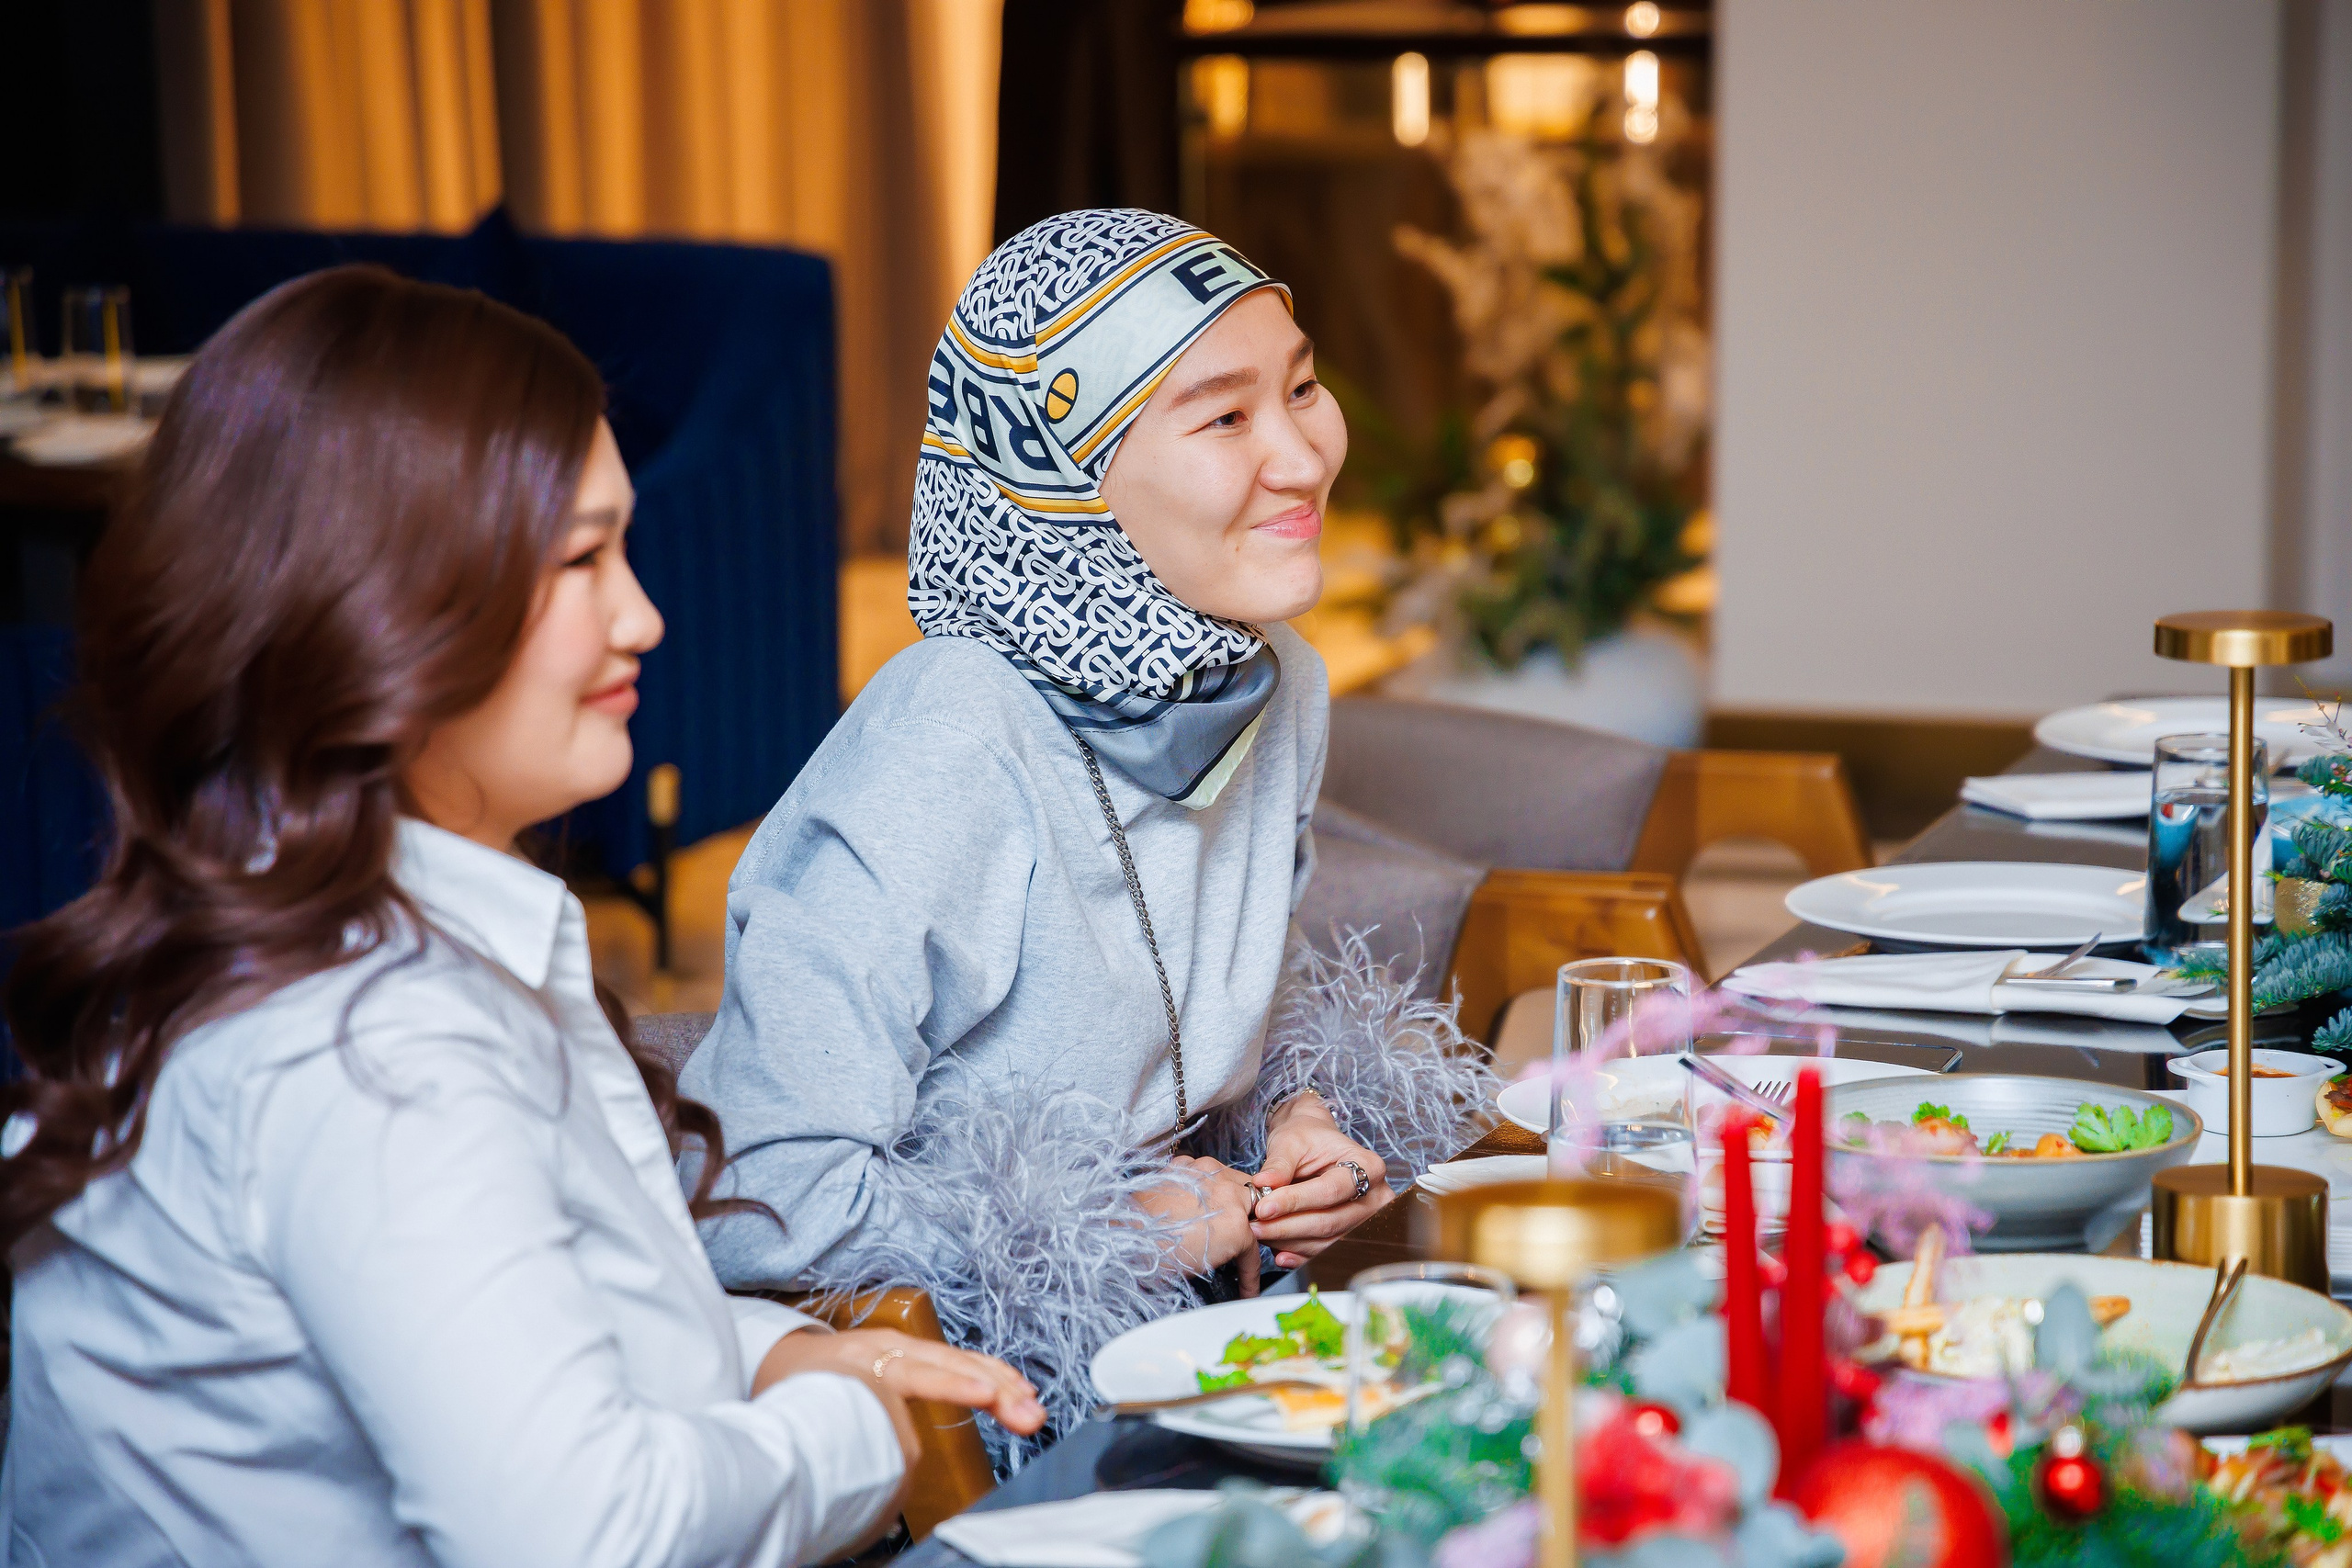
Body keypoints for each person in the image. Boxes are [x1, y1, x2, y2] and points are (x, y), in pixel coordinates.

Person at [0, 265, 1041, 1568]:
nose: (644, 616)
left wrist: (778, 1347)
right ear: (378, 603)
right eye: (579, 561)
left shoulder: (354, 928)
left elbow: (506, 1318)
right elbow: (583, 1537)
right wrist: (850, 1423)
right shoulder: (361, 1045)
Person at [682, 210, 1495, 1457]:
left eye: (1304, 387)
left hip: (1211, 1339)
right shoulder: (952, 733)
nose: (1303, 455)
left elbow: (1181, 1044)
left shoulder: (1273, 679)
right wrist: (1115, 1229)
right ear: (1063, 472)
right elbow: (755, 1194)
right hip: (999, 1408)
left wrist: (1297, 1127)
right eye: (1225, 418)